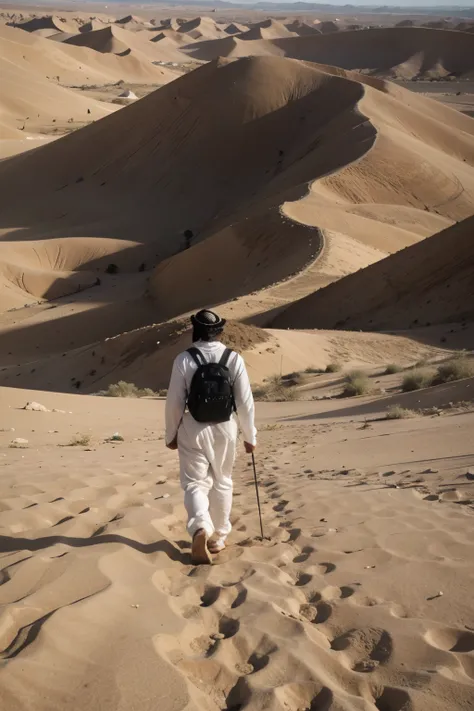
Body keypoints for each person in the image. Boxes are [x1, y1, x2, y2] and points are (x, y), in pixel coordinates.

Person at [165, 309, 257, 564]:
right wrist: (250, 436)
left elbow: (174, 403)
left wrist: (170, 435)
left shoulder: (184, 359)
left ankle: (199, 527)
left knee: (195, 483)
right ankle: (218, 536)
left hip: (192, 427)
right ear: (219, 331)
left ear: (194, 329)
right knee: (222, 480)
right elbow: (245, 403)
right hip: (226, 428)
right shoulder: (233, 358)